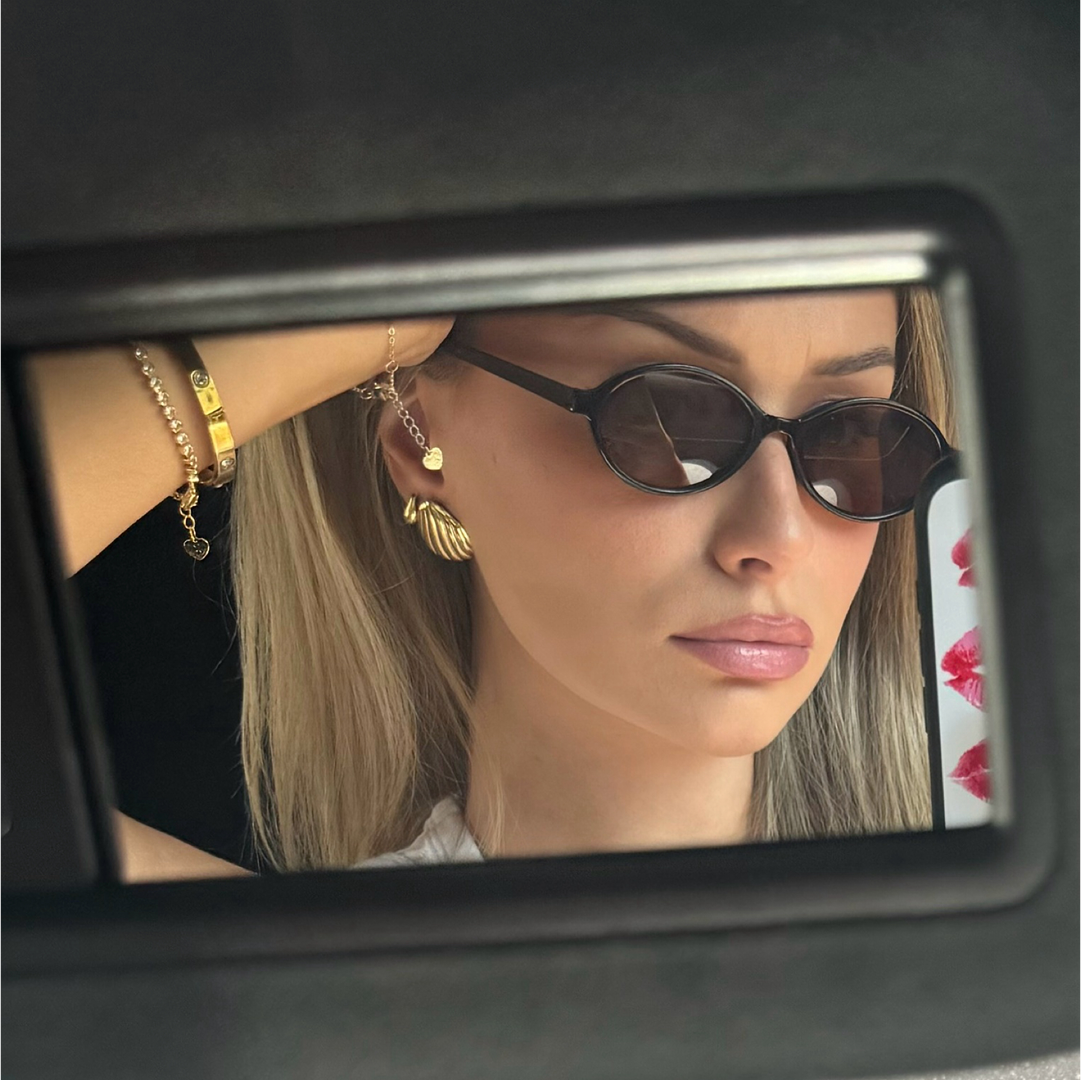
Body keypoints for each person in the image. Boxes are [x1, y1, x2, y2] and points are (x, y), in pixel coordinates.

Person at [27, 285, 957, 881]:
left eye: (852, 435)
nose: (778, 537)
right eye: (668, 419)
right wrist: (332, 310)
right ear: (417, 440)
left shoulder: (1003, 943)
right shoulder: (312, 995)